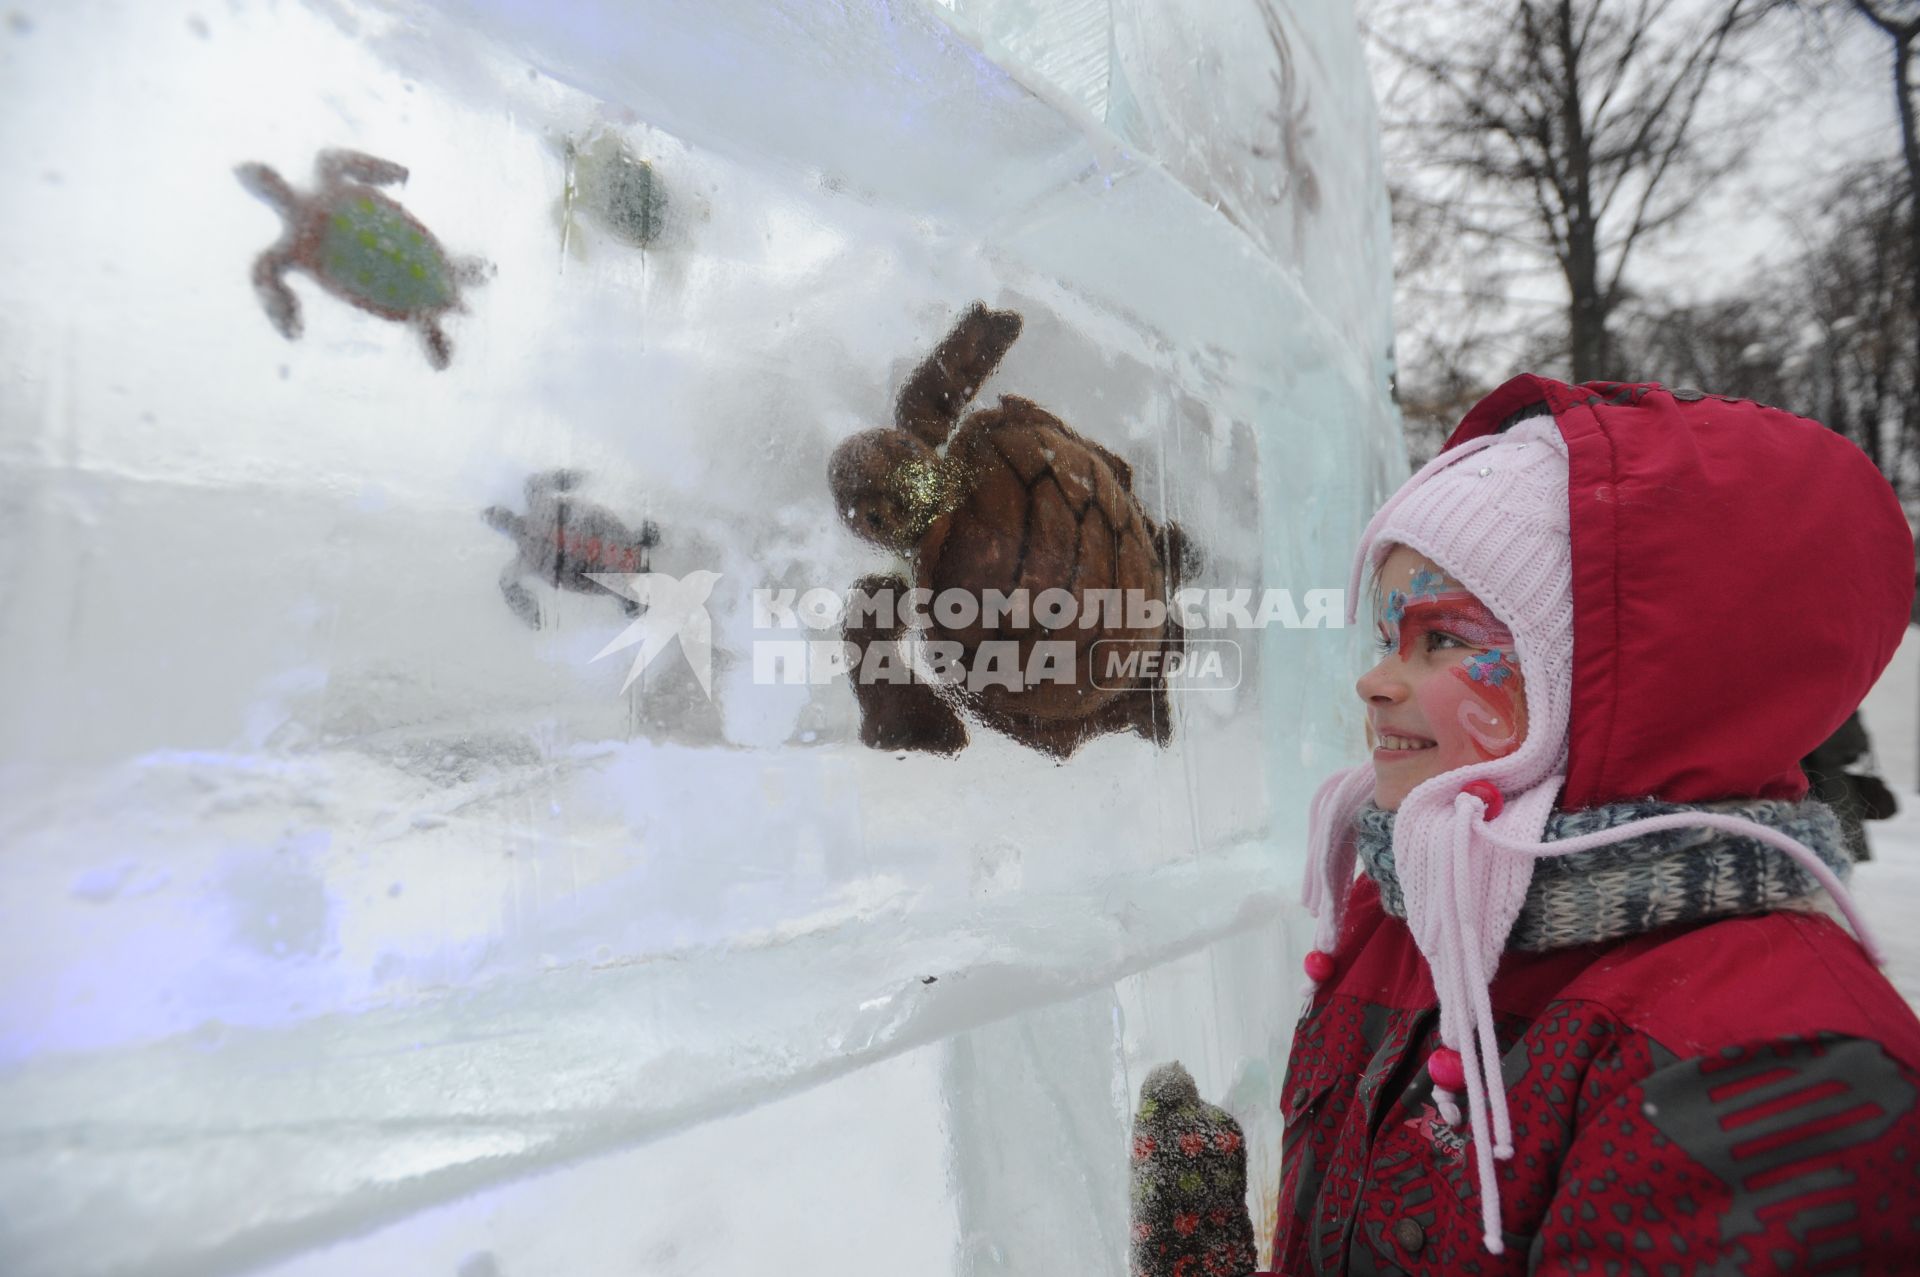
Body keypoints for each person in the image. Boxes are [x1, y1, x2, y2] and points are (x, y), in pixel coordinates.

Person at [1272, 378, 1920, 1274]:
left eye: (1444, 638)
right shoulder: (1406, 916)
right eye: (1386, 638)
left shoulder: (1774, 1069)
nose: (1375, 682)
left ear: (1615, 685)